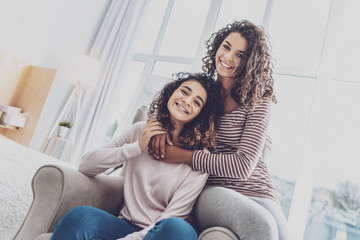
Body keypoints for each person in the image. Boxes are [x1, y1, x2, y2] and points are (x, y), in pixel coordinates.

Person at [149, 20, 291, 240]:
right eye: (226, 47)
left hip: (259, 191)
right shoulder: (203, 92)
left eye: (240, 55)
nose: (228, 58)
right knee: (261, 225)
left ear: (250, 62)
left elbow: (243, 166)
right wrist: (157, 125)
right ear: (217, 46)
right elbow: (169, 103)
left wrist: (183, 156)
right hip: (213, 188)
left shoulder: (259, 101)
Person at [50, 72, 222, 240]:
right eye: (185, 91)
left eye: (197, 102)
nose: (187, 100)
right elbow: (86, 165)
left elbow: (172, 216)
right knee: (80, 216)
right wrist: (137, 147)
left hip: (162, 233)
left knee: (178, 228)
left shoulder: (198, 161)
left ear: (200, 115)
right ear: (173, 91)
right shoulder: (140, 130)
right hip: (124, 225)